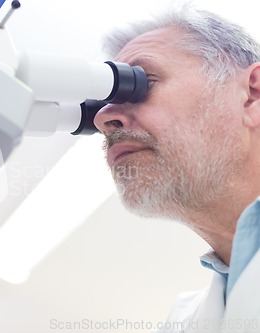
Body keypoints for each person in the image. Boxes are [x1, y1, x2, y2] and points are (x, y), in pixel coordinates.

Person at [93, 4, 260, 333]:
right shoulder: (183, 323)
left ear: (251, 95)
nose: (102, 119)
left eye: (141, 83)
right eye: (103, 102)